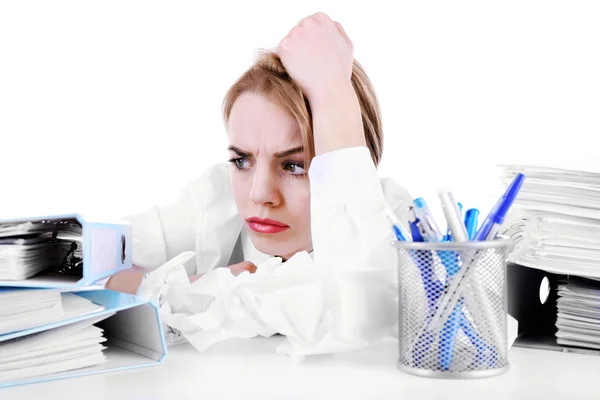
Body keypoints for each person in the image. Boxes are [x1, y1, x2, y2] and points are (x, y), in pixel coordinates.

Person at [106, 12, 413, 355]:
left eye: (295, 165)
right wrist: (193, 288)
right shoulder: (217, 200)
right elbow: (81, 264)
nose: (259, 194)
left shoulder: (397, 228)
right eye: (242, 161)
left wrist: (332, 94)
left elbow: (359, 309)